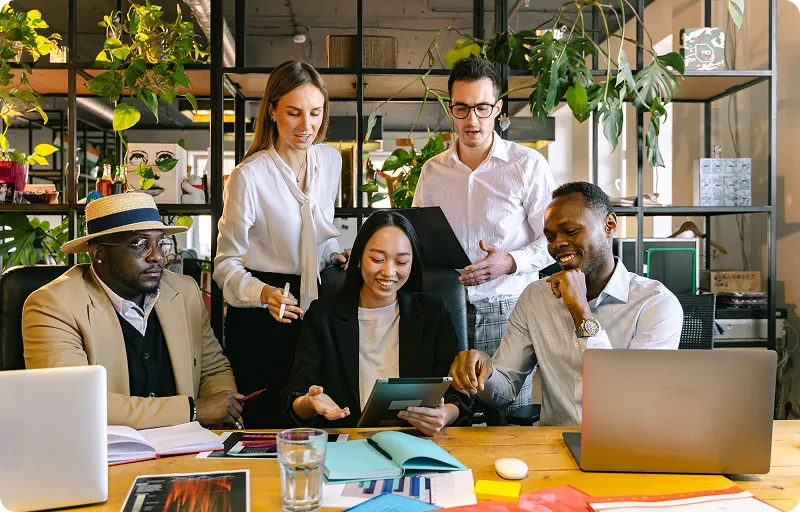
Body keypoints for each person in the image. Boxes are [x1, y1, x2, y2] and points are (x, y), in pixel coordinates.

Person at [448, 182, 683, 426]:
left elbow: (629, 395)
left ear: (609, 225)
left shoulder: (655, 304)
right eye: (550, 237)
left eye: (570, 231)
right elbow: (505, 390)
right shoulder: (535, 298)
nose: (557, 244)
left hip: (627, 445)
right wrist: (485, 372)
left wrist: (580, 312)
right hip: (555, 447)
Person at [23, 193, 243, 430]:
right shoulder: (53, 304)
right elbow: (73, 402)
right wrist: (194, 411)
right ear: (99, 253)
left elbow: (212, 369)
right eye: (140, 244)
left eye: (161, 243)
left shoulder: (184, 291)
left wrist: (225, 421)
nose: (157, 256)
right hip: (109, 455)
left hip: (189, 447)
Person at [412, 56, 555, 419]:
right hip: (447, 309)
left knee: (507, 416)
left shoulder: (527, 165)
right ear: (450, 109)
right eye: (462, 108)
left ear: (498, 109)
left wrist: (509, 260)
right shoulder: (433, 171)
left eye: (481, 108)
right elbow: (412, 236)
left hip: (509, 309)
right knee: (446, 414)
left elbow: (553, 241)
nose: (472, 120)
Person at [214, 60, 350, 428]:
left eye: (315, 113)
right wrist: (263, 294)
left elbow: (316, 239)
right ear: (272, 111)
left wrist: (335, 255)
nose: (307, 126)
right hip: (262, 315)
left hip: (314, 312)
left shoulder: (331, 160)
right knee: (265, 423)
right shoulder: (249, 176)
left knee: (317, 414)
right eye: (294, 113)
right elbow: (224, 264)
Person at [282, 211, 471, 435]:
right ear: (359, 259)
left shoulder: (432, 312)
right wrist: (309, 403)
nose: (389, 272)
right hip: (348, 444)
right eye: (377, 259)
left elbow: (458, 392)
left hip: (416, 440)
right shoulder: (323, 316)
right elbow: (295, 399)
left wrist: (445, 414)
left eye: (401, 262)